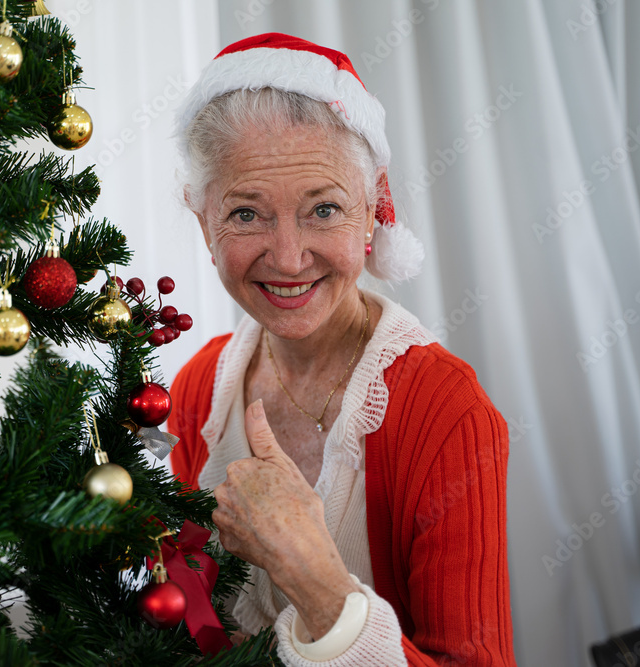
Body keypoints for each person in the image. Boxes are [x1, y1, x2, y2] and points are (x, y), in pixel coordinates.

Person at [167, 33, 516, 666]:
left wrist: (316, 583)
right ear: (202, 222)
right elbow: (190, 612)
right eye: (246, 215)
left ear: (371, 213)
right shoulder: (197, 388)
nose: (290, 258)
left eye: (323, 209)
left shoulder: (446, 412)